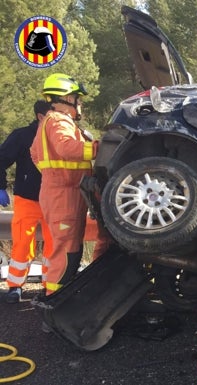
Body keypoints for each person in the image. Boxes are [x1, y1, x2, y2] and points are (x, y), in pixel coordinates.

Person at [30, 73, 109, 296]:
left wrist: (54, 175)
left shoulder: (48, 121)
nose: (79, 103)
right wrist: (99, 148)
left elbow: (35, 154)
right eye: (77, 98)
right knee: (67, 253)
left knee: (69, 251)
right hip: (64, 196)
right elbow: (66, 148)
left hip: (60, 193)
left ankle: (57, 302)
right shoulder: (58, 120)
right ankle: (55, 305)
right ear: (66, 97)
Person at [0, 100, 54, 303]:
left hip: (54, 200)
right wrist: (0, 186)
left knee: (53, 247)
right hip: (27, 199)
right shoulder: (22, 136)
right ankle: (15, 287)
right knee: (22, 245)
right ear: (41, 116)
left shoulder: (59, 136)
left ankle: (51, 288)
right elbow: (1, 159)